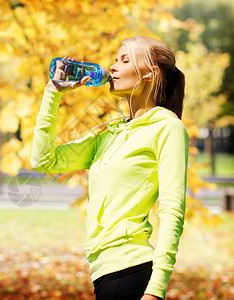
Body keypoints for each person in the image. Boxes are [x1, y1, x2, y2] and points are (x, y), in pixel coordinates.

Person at [31, 36, 189, 300]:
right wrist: (52, 93)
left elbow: (172, 211)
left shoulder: (167, 127)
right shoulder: (109, 132)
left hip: (131, 272)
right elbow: (44, 160)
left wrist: (156, 290)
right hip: (103, 273)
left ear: (151, 73)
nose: (113, 67)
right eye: (115, 60)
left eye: (125, 60)